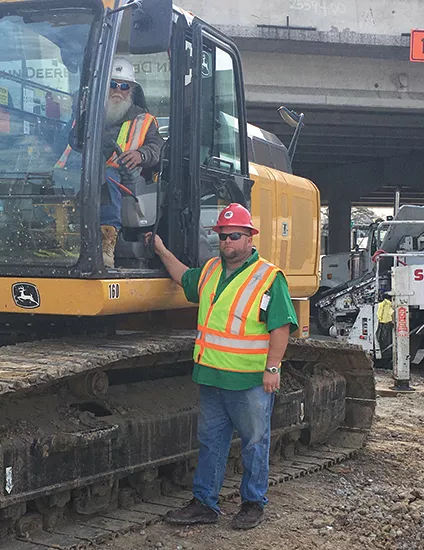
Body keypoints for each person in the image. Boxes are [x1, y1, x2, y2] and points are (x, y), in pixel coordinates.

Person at [145, 203, 298, 530]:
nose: (227, 241)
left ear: (249, 238)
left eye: (234, 236)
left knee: (255, 442)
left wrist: (273, 369)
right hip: (212, 376)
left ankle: (253, 503)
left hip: (249, 381)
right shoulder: (212, 270)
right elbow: (183, 277)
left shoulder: (268, 277)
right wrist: (160, 250)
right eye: (223, 236)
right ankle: (205, 503)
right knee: (211, 442)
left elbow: (281, 327)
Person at [99, 56, 163, 268]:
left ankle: (106, 240)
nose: (118, 90)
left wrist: (141, 155)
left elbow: (157, 148)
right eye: (112, 84)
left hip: (124, 178)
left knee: (107, 177)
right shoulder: (92, 115)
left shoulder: (144, 120)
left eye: (124, 86)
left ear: (132, 90)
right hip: (86, 170)